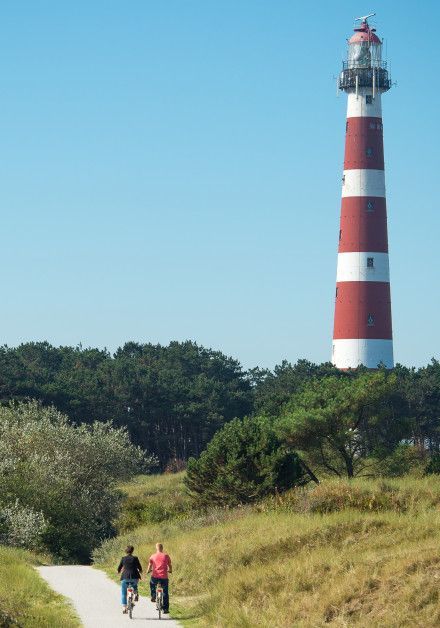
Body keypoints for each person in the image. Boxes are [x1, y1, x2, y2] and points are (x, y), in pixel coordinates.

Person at [117, 545, 143, 614]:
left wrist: (118, 571)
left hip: (125, 578)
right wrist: (140, 571)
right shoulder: (135, 558)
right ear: (132, 551)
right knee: (134, 586)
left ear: (126, 551)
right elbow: (139, 567)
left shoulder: (123, 558)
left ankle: (124, 608)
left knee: (124, 593)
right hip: (135, 577)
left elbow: (119, 568)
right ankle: (136, 592)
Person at [148, 542, 172, 614]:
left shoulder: (152, 556)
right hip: (164, 577)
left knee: (152, 583)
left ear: (156, 548)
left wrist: (148, 571)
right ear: (162, 548)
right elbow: (169, 565)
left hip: (155, 576)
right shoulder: (166, 556)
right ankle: (165, 609)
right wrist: (170, 570)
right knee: (165, 592)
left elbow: (150, 565)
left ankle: (153, 596)